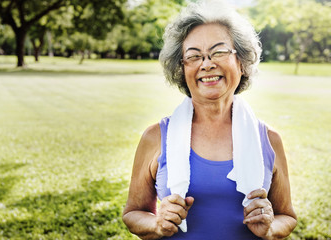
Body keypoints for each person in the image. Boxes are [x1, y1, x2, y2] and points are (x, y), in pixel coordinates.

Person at [122, 0, 297, 239]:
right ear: (181, 69)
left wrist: (270, 227)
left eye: (219, 52)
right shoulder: (155, 137)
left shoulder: (268, 139)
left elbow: (287, 217)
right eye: (194, 56)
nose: (206, 64)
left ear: (242, 62)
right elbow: (133, 213)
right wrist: (156, 224)